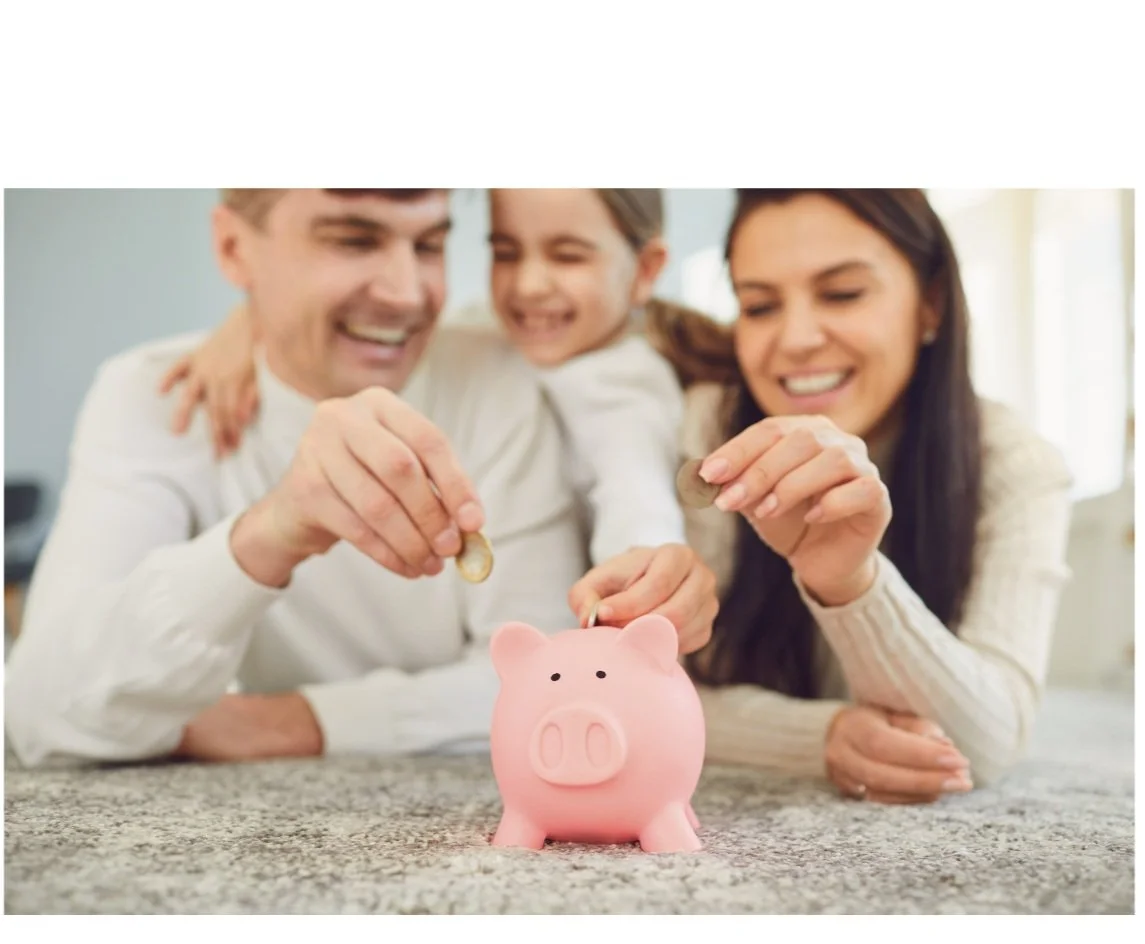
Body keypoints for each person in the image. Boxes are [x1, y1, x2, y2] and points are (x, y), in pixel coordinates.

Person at [4, 189, 715, 768]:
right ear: (231, 248)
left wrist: (285, 721)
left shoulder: (502, 375)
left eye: (431, 242)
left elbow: (550, 675)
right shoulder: (158, 395)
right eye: (352, 238)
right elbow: (38, 712)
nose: (407, 294)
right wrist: (270, 531)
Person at [576, 189, 1073, 805]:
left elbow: (989, 741)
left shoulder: (1015, 464)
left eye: (842, 294)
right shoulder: (703, 439)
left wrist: (850, 580)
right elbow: (620, 683)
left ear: (932, 303)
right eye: (759, 306)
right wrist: (822, 737)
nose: (798, 339)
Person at [159, 188, 717, 637]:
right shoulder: (496, 335)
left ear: (646, 271)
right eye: (505, 252)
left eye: (567, 255)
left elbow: (634, 494)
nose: (528, 285)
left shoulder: (625, 384)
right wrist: (244, 328)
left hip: (598, 628)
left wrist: (641, 573)